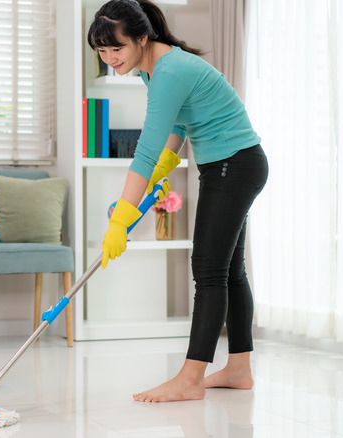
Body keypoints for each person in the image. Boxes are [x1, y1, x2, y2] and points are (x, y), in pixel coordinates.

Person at [89, 0, 269, 402]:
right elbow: (173, 129)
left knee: (207, 270)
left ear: (140, 37)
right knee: (229, 270)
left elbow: (145, 151)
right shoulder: (157, 67)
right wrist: (166, 164)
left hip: (232, 165)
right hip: (233, 164)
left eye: (116, 48)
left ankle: (190, 378)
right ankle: (239, 369)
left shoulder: (169, 70)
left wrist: (121, 220)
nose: (109, 58)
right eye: (101, 51)